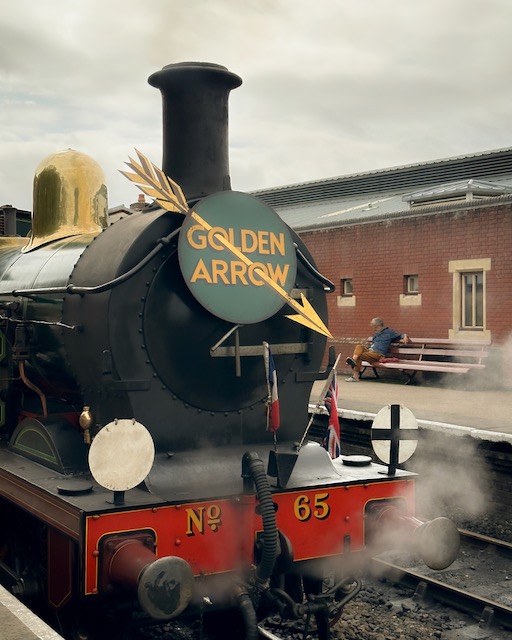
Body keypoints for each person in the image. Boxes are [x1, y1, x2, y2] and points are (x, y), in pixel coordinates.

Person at [345, 317, 411, 381]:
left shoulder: (389, 332)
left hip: (378, 354)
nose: (374, 329)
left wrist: (405, 336)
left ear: (380, 326)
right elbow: (373, 345)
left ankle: (355, 375)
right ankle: (354, 360)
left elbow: (400, 335)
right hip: (371, 352)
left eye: (375, 327)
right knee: (359, 346)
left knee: (359, 355)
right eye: (373, 327)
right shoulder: (376, 334)